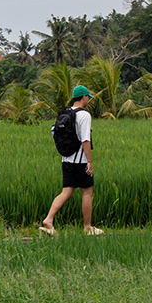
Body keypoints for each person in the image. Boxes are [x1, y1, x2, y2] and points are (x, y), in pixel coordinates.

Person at [41, 86, 103, 236]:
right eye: (88, 97)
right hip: (80, 161)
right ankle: (87, 227)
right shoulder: (84, 115)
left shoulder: (66, 113)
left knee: (66, 191)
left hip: (66, 160)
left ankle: (49, 220)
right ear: (83, 98)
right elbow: (85, 139)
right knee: (87, 192)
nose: (88, 99)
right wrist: (89, 161)